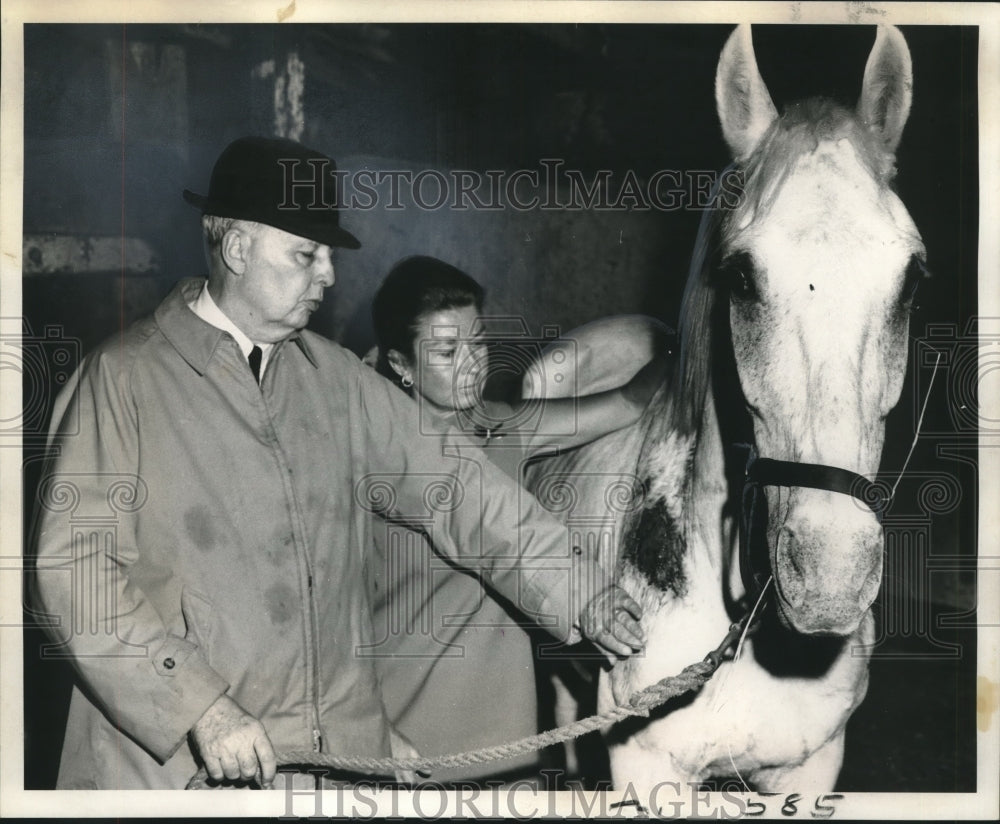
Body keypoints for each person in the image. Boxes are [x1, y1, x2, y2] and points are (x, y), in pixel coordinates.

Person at [29, 137, 645, 790]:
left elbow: (462, 489)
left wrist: (583, 593)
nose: (328, 274)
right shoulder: (125, 380)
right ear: (237, 248)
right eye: (307, 254)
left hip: (321, 772)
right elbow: (77, 577)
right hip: (175, 776)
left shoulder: (334, 383)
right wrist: (199, 707)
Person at [366, 256, 667, 783]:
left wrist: (693, 334)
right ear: (401, 365)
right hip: (404, 728)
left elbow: (628, 401)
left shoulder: (505, 428)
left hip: (507, 739)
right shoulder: (374, 454)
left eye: (477, 343)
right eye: (446, 351)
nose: (471, 365)